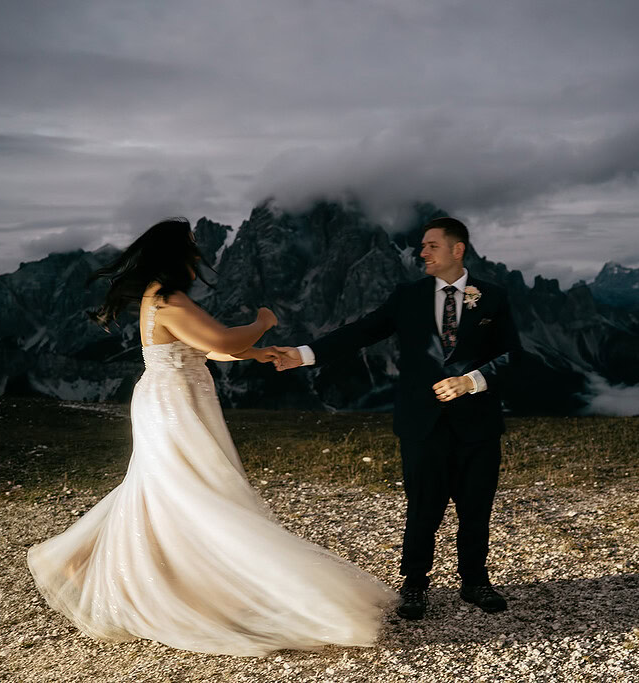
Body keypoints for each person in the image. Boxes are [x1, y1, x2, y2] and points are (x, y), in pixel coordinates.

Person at [27, 218, 395, 656]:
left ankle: (85, 561)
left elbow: (208, 346)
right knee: (192, 491)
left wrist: (252, 352)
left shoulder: (160, 297)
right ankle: (148, 578)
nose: (197, 252)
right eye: (191, 244)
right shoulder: (169, 298)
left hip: (171, 399)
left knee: (162, 490)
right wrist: (262, 322)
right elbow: (221, 337)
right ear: (174, 254)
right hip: (174, 404)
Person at [275, 216, 522, 620]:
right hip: (421, 423)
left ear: (457, 250)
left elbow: (514, 355)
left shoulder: (493, 297)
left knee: (476, 506)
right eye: (422, 246)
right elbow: (361, 332)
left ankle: (476, 582)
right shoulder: (407, 296)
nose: (421, 252)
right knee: (422, 506)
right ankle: (414, 585)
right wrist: (303, 354)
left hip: (478, 423)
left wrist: (472, 381)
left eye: (431, 246)